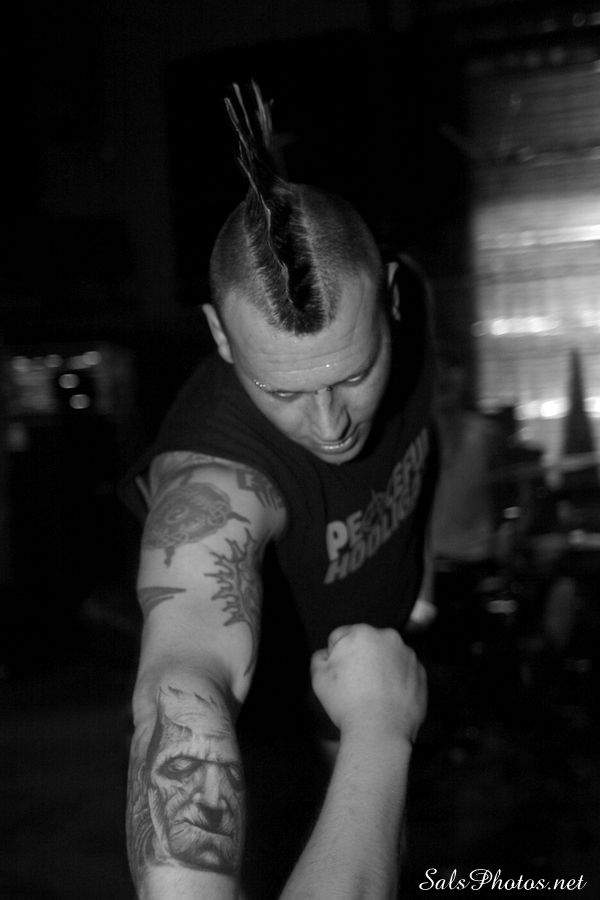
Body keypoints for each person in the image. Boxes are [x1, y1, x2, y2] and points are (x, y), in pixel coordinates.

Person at [122, 81, 437, 898]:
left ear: (392, 299)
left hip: (382, 670)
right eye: (283, 391)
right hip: (297, 741)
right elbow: (184, 674)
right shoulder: (214, 478)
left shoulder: (417, 308)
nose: (330, 424)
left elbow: (421, 439)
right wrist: (379, 728)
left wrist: (421, 576)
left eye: (354, 375)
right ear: (221, 336)